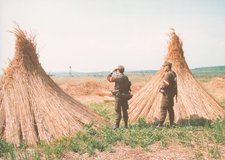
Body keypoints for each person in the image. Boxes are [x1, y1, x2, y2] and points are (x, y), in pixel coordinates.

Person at [158, 62, 177, 127]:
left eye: (164, 66)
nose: (163, 68)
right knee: (170, 108)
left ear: (167, 66)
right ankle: (171, 123)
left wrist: (161, 88)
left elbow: (165, 83)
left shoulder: (168, 74)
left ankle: (160, 123)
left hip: (167, 94)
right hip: (171, 93)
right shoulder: (173, 73)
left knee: (163, 107)